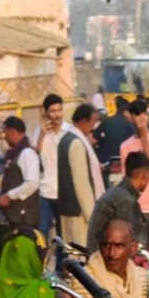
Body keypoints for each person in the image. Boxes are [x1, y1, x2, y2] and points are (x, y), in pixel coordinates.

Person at [120, 100, 149, 251]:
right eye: (136, 115)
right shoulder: (125, 146)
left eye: (143, 114)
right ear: (130, 118)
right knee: (137, 255)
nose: (141, 118)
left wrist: (144, 134)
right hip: (136, 208)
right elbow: (126, 180)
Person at [58, 104, 105, 247]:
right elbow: (81, 184)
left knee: (71, 253)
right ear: (84, 121)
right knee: (81, 253)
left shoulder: (65, 139)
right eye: (92, 123)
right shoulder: (77, 143)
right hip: (80, 213)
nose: (93, 127)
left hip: (68, 207)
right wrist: (92, 216)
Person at [87, 151, 149, 252]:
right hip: (105, 256)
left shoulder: (116, 192)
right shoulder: (125, 201)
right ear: (144, 176)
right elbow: (125, 241)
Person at [0, 116, 40, 229]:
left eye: (5, 133)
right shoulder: (14, 154)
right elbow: (11, 184)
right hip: (13, 216)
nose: (4, 137)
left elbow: (32, 184)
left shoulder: (27, 154)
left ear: (12, 131)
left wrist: (9, 196)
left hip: (24, 219)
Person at [34, 94, 70, 238]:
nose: (57, 114)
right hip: (45, 190)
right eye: (53, 111)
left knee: (63, 233)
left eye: (59, 110)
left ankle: (62, 254)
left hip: (64, 191)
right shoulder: (40, 132)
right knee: (41, 232)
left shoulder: (69, 131)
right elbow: (35, 155)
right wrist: (42, 135)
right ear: (46, 113)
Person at [94, 96, 134, 188]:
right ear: (126, 111)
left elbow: (93, 139)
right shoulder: (130, 125)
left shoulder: (106, 122)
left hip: (106, 163)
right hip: (125, 163)